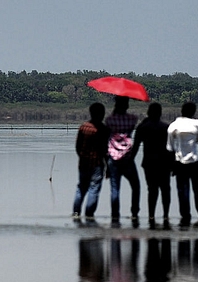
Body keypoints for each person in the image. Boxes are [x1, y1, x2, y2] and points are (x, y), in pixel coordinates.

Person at [167, 102, 198, 228]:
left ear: (181, 111)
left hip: (179, 162)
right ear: (193, 112)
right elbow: (197, 139)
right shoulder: (197, 124)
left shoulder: (173, 126)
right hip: (194, 162)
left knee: (182, 190)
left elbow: (170, 147)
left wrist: (171, 165)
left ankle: (185, 215)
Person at [134, 102, 174, 229]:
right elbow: (171, 149)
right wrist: (173, 165)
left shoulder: (143, 128)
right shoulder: (167, 128)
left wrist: (129, 161)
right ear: (160, 113)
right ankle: (166, 215)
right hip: (164, 163)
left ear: (148, 113)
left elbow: (135, 147)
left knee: (152, 189)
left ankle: (151, 215)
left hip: (149, 163)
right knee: (165, 189)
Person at [105, 96, 140, 227]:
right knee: (135, 186)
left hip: (113, 158)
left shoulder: (110, 120)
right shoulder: (132, 119)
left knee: (115, 189)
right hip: (127, 158)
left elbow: (107, 137)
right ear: (126, 105)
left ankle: (115, 214)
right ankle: (134, 212)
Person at [73, 102, 111, 221]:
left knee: (81, 188)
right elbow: (105, 150)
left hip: (83, 163)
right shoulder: (104, 129)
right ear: (102, 114)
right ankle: (89, 215)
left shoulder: (83, 127)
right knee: (93, 189)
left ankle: (76, 213)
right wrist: (107, 166)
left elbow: (78, 146)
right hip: (97, 164)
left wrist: (82, 157)